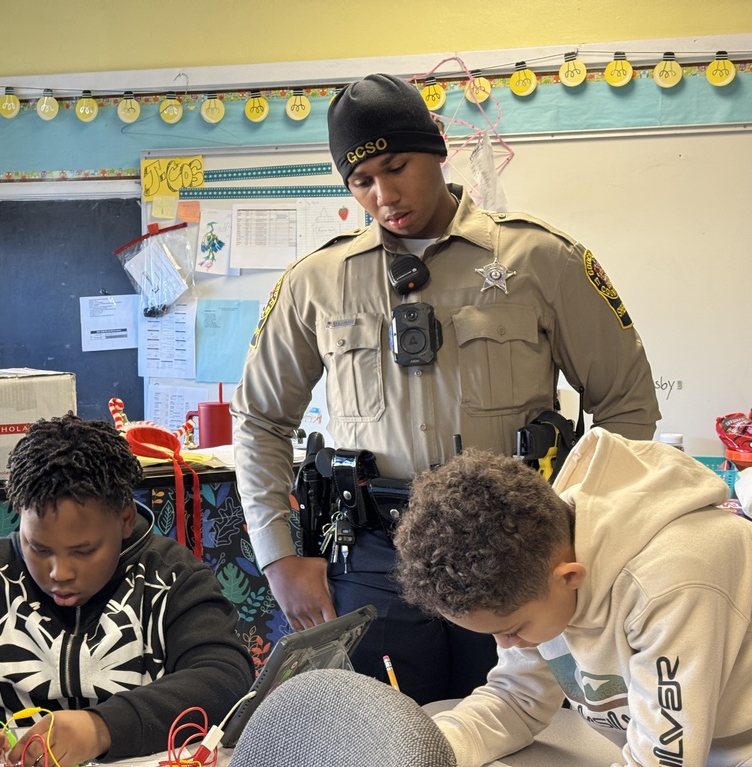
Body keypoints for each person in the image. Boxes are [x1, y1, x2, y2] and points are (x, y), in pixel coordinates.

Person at [230, 72, 660, 705]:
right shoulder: (315, 282)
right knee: (384, 729)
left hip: (517, 550)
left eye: (396, 167)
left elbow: (626, 403)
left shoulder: (539, 259)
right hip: (374, 554)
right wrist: (277, 557)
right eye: (361, 180)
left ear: (437, 147)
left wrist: (592, 531)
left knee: (527, 722)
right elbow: (260, 420)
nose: (384, 195)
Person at [0, 414, 255, 767]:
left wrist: (103, 727)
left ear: (125, 519)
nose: (60, 573)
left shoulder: (173, 577)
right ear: (19, 517)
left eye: (84, 551)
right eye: (38, 548)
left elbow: (225, 677)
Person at [393, 428, 752, 767]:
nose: (506, 644)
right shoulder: (533, 563)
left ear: (569, 577)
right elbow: (516, 698)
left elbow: (664, 758)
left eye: (513, 630)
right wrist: (424, 752)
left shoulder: (674, 581)